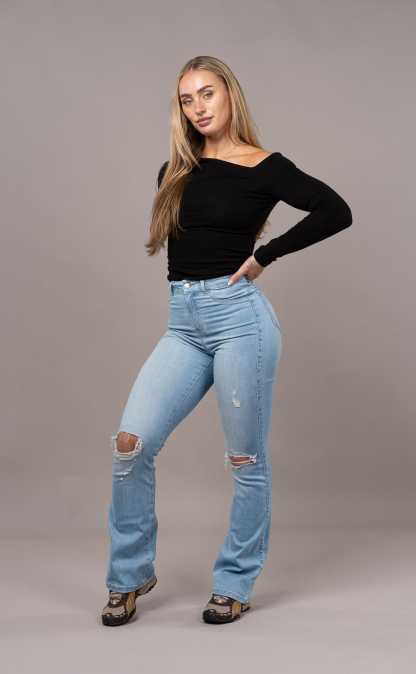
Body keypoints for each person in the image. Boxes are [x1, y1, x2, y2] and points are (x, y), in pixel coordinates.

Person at [101, 55, 352, 627]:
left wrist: (265, 256)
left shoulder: (266, 166)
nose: (198, 107)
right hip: (184, 324)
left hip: (240, 320)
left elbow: (336, 210)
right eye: (187, 99)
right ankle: (131, 574)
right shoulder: (174, 171)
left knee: (245, 459)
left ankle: (234, 582)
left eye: (207, 93)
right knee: (130, 444)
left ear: (230, 94)